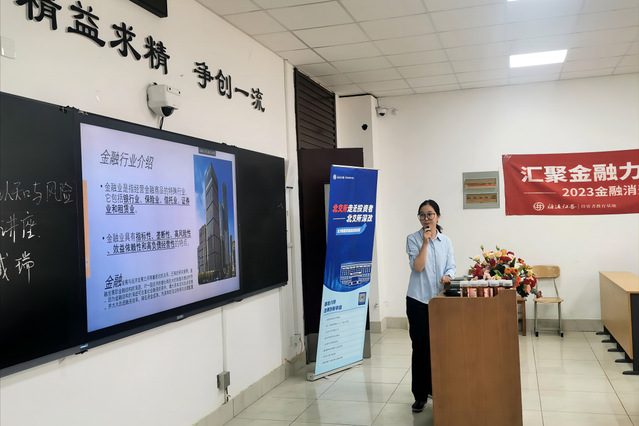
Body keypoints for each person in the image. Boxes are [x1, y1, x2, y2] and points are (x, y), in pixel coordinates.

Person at [405, 199, 456, 413]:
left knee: (439, 347)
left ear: (438, 216)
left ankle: (435, 387)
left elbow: (451, 266)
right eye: (422, 215)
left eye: (430, 214)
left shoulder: (446, 241)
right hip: (418, 301)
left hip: (440, 302)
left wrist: (448, 276)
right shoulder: (413, 239)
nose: (426, 218)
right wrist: (425, 243)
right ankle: (420, 395)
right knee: (421, 348)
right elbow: (418, 267)